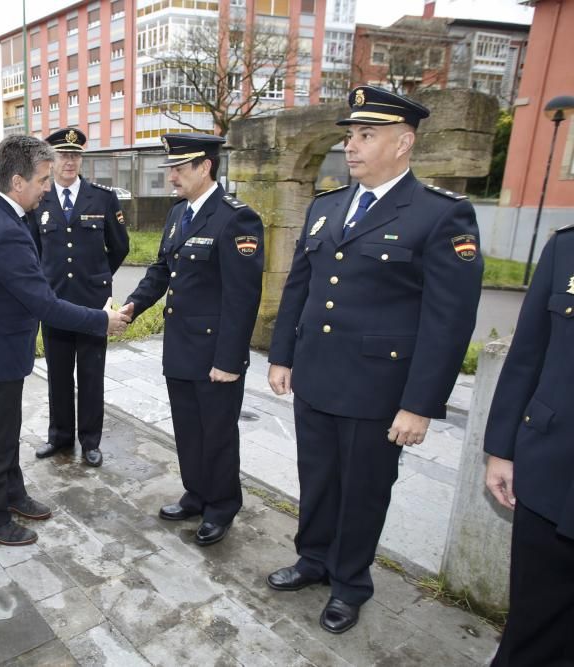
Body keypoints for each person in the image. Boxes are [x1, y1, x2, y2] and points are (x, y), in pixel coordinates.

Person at [265, 85, 484, 634]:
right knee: (316, 480)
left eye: (366, 135)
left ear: (404, 143)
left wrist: (419, 405)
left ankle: (349, 582)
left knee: (362, 490)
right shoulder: (327, 205)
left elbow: (448, 321)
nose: (353, 146)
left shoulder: (439, 215)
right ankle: (313, 559)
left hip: (377, 388)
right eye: (351, 135)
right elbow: (300, 288)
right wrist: (283, 355)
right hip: (316, 377)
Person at [0, 135, 129, 547]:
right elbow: (45, 304)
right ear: (18, 181)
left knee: (6, 431)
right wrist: (103, 320)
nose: (48, 188)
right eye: (43, 180)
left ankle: (11, 494)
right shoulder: (4, 230)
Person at [120, 133, 264, 547]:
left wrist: (230, 360)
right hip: (180, 346)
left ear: (206, 167)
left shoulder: (236, 219)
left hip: (215, 352)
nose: (173, 179)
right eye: (172, 171)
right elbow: (161, 271)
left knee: (217, 432)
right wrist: (133, 306)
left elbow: (242, 298)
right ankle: (196, 493)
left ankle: (221, 506)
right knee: (188, 428)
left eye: (180, 170)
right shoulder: (178, 214)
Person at [483, 226, 574, 666]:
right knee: (532, 621)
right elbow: (528, 353)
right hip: (552, 470)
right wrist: (502, 449)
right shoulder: (566, 246)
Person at [29, 128, 130, 467]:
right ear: (51, 160)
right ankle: (59, 437)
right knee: (57, 374)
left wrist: (98, 279)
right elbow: (32, 248)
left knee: (90, 374)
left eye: (75, 155)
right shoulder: (39, 198)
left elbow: (120, 246)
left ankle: (90, 441)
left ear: (81, 159)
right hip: (54, 302)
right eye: (62, 155)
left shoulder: (101, 198)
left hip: (92, 304)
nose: (69, 161)